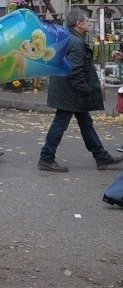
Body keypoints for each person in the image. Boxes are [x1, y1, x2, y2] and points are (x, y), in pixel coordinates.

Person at [38, 9, 123, 172]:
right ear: (79, 24)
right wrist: (86, 90)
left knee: (86, 123)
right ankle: (46, 158)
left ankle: (101, 157)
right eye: (87, 20)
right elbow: (75, 71)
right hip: (71, 92)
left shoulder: (69, 37)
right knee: (60, 124)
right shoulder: (76, 43)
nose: (89, 22)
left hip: (68, 90)